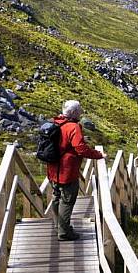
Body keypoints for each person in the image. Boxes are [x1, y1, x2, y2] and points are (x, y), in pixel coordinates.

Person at [46, 100, 104, 241]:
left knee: (56, 197)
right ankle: (64, 232)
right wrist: (99, 155)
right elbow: (81, 148)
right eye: (79, 111)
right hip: (67, 171)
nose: (81, 113)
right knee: (67, 200)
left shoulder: (56, 123)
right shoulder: (73, 127)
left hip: (53, 169)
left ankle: (58, 225)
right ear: (73, 113)